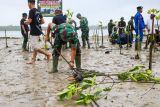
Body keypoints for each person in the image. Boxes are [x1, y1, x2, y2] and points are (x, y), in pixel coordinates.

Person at [25, 0, 51, 64]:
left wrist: (25, 22)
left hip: (33, 30)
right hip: (39, 30)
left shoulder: (31, 11)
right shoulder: (38, 11)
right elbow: (43, 21)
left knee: (34, 46)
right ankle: (33, 60)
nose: (28, 5)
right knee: (35, 45)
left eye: (28, 4)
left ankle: (47, 54)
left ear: (29, 3)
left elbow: (29, 21)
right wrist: (36, 23)